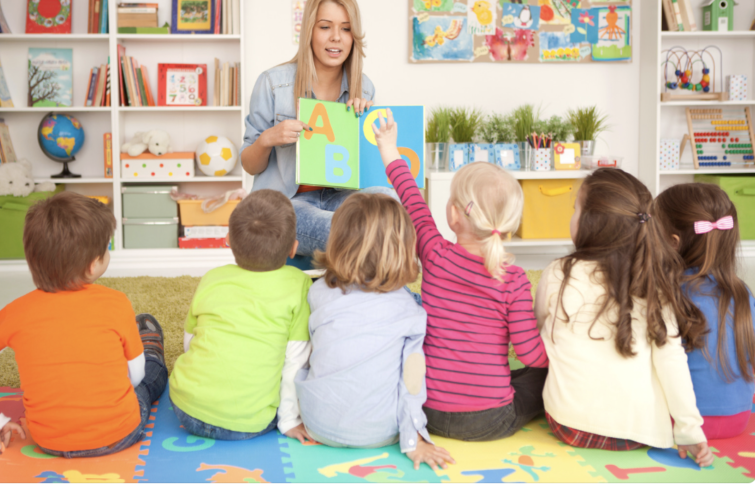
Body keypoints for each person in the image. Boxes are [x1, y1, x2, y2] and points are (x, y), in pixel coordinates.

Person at [372, 110, 549, 442]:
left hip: (429, 412)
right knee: (536, 376)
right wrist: (559, 354)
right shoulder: (514, 280)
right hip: (490, 420)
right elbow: (528, 353)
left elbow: (411, 197)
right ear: (510, 223)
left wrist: (388, 147)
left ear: (454, 214)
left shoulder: (435, 255)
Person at [534, 169, 713, 466]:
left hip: (567, 426)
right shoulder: (654, 280)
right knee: (661, 358)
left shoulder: (558, 272)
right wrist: (689, 429)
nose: (572, 217)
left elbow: (538, 329)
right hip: (636, 434)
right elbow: (671, 360)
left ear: (591, 223)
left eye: (575, 209)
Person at [0, 192, 167, 458]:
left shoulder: (15, 312)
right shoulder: (115, 303)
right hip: (119, 434)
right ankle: (152, 350)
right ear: (94, 264)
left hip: (47, 440)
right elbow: (136, 376)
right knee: (150, 376)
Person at [295, 192, 454, 470]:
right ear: (404, 248)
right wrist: (415, 438)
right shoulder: (409, 310)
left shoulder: (317, 292)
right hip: (380, 432)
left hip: (315, 423)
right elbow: (412, 381)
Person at [241, 0, 396, 257]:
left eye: (346, 28)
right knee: (345, 231)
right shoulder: (273, 84)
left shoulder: (365, 88)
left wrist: (368, 127)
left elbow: (366, 167)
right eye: (325, 27)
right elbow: (250, 165)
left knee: (391, 204)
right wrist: (268, 139)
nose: (336, 37)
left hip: (340, 196)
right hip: (289, 203)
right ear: (309, 31)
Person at [169, 190, 313, 442]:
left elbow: (190, 342)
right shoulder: (299, 285)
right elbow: (295, 360)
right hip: (249, 422)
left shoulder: (212, 278)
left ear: (228, 241)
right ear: (294, 249)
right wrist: (289, 419)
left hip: (185, 408)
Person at [655, 183, 755, 439]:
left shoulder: (667, 291)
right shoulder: (743, 292)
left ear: (672, 242)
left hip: (684, 421)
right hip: (740, 418)